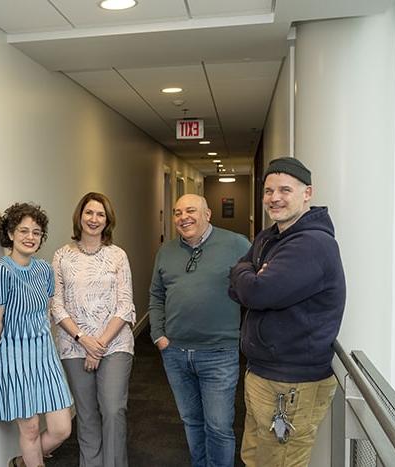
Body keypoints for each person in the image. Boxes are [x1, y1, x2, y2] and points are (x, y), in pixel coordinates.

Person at [229, 157, 345, 467]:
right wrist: (249, 272)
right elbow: (236, 282)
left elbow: (255, 292)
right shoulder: (270, 237)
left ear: (307, 193)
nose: (274, 198)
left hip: (291, 381)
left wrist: (251, 279)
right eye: (268, 191)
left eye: (285, 190)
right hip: (264, 371)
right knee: (254, 456)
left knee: (279, 462)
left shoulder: (312, 244)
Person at [149, 194, 250, 467]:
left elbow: (257, 289)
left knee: (218, 426)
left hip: (219, 352)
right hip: (175, 353)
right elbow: (156, 297)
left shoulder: (237, 244)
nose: (184, 217)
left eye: (191, 210)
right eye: (177, 212)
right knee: (191, 420)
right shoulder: (166, 252)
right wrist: (158, 335)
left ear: (208, 214)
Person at [0, 202, 72, 467]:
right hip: (15, 360)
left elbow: (44, 312)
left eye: (36, 232)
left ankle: (22, 463)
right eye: (23, 231)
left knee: (61, 428)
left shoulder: (44, 269)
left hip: (45, 357)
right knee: (31, 429)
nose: (30, 237)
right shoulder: (2, 271)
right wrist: (11, 357)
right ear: (10, 234)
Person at [51, 192, 136, 467]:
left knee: (112, 410)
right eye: (89, 213)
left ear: (108, 220)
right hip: (74, 345)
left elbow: (125, 305)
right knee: (86, 415)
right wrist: (83, 339)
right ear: (80, 216)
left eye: (100, 214)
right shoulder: (62, 255)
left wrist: (98, 345)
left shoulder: (117, 256)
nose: (94, 219)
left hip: (114, 344)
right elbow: (56, 304)